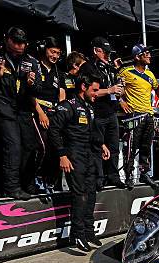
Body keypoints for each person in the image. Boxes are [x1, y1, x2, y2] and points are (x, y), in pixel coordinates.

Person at [48, 74, 109, 252]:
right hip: (73, 154)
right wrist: (62, 155)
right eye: (94, 90)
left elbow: (90, 133)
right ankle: (77, 234)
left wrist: (101, 144)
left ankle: (89, 231)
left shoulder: (89, 107)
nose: (97, 94)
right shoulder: (68, 106)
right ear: (84, 86)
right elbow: (53, 131)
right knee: (80, 194)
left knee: (91, 193)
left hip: (89, 154)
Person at [0, 26, 42, 200]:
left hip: (23, 109)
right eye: (15, 43)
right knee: (13, 146)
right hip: (2, 107)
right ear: (7, 39)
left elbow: (38, 90)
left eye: (22, 44)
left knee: (30, 146)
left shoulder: (31, 61)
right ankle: (12, 187)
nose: (19, 48)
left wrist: (31, 83)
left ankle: (27, 184)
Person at [118, 44, 159, 191]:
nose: (149, 56)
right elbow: (117, 88)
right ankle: (129, 176)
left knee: (146, 147)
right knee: (131, 148)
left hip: (148, 115)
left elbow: (157, 88)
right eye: (146, 54)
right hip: (134, 115)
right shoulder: (126, 72)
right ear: (137, 56)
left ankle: (144, 173)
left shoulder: (150, 74)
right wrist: (121, 101)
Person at [80, 37, 125, 188]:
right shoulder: (87, 67)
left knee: (113, 147)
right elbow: (88, 92)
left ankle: (113, 176)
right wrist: (109, 90)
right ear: (95, 51)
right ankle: (98, 178)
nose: (108, 56)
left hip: (111, 112)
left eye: (109, 53)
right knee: (97, 147)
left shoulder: (110, 67)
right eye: (104, 52)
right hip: (96, 113)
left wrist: (119, 90)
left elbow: (118, 88)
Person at [33, 36, 65, 190]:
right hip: (37, 112)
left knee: (57, 147)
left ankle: (51, 181)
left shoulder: (59, 72)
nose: (55, 56)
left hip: (54, 112)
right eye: (53, 52)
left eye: (58, 53)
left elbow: (62, 94)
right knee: (43, 147)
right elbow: (29, 93)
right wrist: (40, 113)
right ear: (45, 50)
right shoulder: (35, 66)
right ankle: (37, 177)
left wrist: (60, 114)